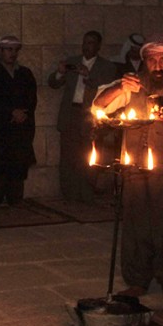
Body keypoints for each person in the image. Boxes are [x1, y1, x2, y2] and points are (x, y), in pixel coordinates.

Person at [93, 36, 163, 305]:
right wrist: (119, 86)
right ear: (145, 61)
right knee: (137, 226)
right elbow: (99, 106)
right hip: (137, 167)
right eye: (152, 59)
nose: (158, 65)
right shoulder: (132, 84)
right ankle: (137, 280)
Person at [48, 30, 117, 202]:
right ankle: (69, 193)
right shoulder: (72, 62)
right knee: (68, 156)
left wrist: (89, 75)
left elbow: (108, 88)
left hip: (90, 114)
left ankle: (86, 193)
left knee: (88, 155)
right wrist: (60, 72)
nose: (87, 46)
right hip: (71, 112)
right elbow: (53, 83)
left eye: (91, 43)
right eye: (85, 42)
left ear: (98, 46)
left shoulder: (107, 66)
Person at [0, 35, 37, 209]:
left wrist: (22, 114)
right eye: (9, 50)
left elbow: (32, 99)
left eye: (15, 50)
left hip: (21, 128)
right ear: (0, 51)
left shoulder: (25, 73)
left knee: (19, 162)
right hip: (0, 129)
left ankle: (16, 199)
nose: (12, 54)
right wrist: (11, 112)